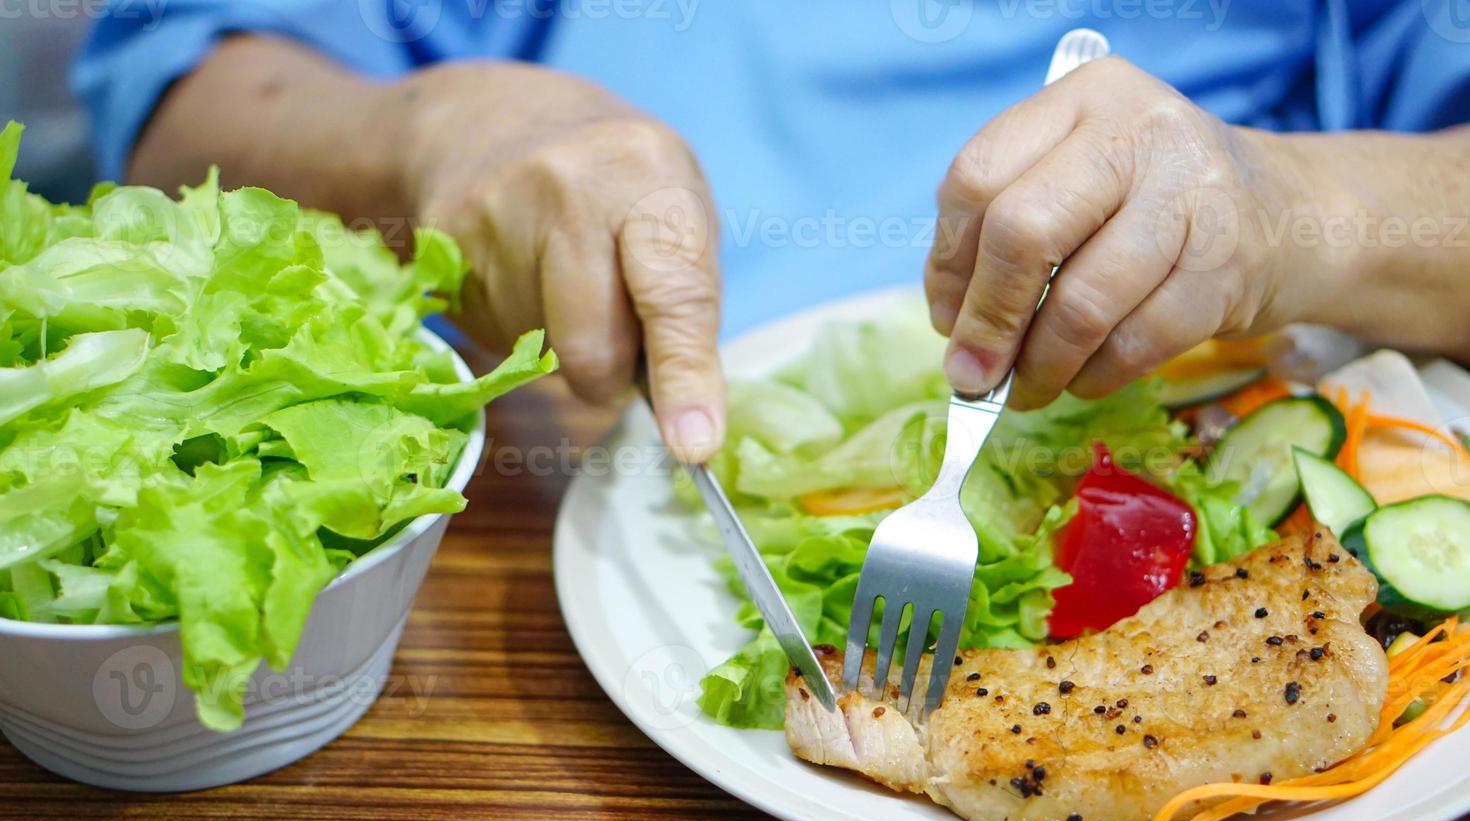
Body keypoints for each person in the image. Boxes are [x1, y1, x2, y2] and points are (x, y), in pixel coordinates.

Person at [73, 2, 1470, 462]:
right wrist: (429, 136)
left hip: (1184, 425)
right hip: (536, 493)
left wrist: (1299, 204)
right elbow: (175, 94)